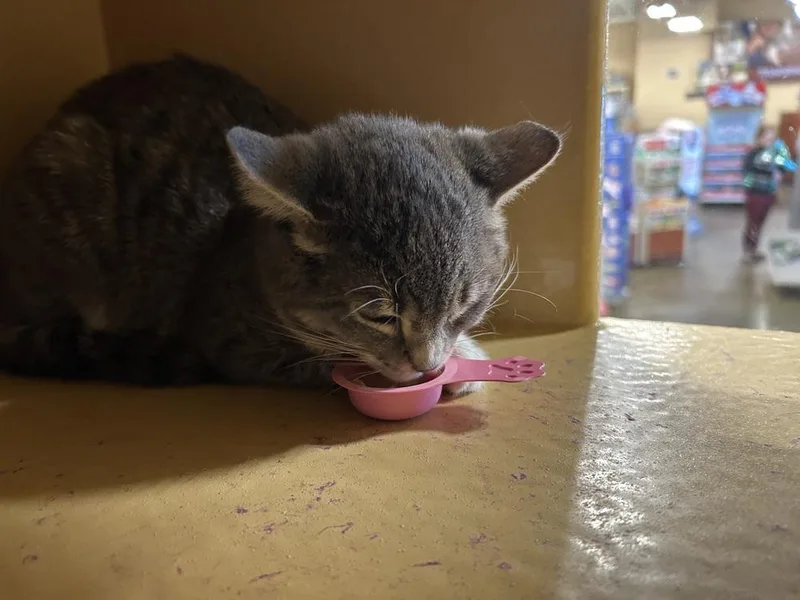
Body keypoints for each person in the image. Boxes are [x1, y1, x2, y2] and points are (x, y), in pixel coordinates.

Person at [741, 125, 789, 263]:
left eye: (772, 137)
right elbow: (746, 171)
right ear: (759, 137)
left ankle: (754, 249)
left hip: (769, 193)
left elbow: (782, 168)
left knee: (760, 223)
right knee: (753, 223)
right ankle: (747, 251)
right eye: (767, 136)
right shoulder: (753, 153)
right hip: (755, 194)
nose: (769, 139)